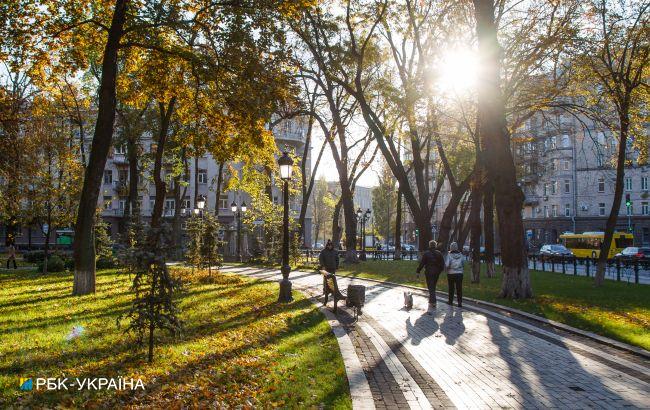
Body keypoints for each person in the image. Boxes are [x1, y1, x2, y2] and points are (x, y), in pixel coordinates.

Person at [416, 240, 445, 312]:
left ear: (429, 245)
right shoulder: (439, 253)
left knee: (430, 287)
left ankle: (433, 302)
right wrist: (439, 271)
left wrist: (418, 271)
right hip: (436, 273)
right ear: (435, 246)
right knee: (433, 286)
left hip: (428, 272)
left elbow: (422, 264)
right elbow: (442, 265)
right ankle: (431, 301)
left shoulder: (426, 254)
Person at [445, 241, 464, 307]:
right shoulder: (461, 254)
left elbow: (447, 264)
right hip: (459, 273)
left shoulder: (449, 255)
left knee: (451, 288)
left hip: (451, 273)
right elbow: (463, 263)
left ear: (451, 248)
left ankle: (450, 301)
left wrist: (446, 269)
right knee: (459, 288)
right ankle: (460, 302)